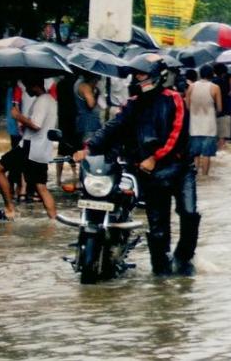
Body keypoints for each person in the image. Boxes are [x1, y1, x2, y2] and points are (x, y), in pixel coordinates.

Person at [74, 54, 200, 275]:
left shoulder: (174, 99)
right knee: (158, 227)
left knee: (188, 213)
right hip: (149, 173)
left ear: (157, 76)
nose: (138, 79)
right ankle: (161, 273)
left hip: (179, 168)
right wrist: (89, 148)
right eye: (136, 75)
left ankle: (184, 257)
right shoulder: (132, 104)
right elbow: (112, 127)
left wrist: (155, 157)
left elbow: (177, 133)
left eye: (142, 74)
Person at [0, 76, 58, 221]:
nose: (26, 90)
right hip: (41, 148)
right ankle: (54, 220)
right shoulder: (50, 100)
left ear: (34, 85)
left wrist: (18, 116)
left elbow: (36, 125)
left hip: (29, 146)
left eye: (27, 87)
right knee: (41, 187)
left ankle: (9, 209)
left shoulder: (42, 100)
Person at [186, 64, 221, 176]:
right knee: (207, 154)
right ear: (211, 74)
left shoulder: (191, 87)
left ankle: (195, 176)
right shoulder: (215, 88)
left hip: (194, 125)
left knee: (195, 154)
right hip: (209, 126)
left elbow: (187, 106)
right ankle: (205, 176)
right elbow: (220, 108)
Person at [55, 75, 79, 186]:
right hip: (74, 119)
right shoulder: (77, 84)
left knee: (61, 150)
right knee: (73, 148)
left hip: (62, 119)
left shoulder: (59, 84)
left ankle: (58, 178)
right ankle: (75, 176)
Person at [74, 73, 102, 142]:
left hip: (84, 122)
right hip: (89, 125)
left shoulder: (78, 82)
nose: (97, 83)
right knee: (89, 148)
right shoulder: (85, 87)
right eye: (96, 81)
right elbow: (91, 104)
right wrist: (96, 93)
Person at [212, 63, 231, 149]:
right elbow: (230, 94)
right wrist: (230, 84)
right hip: (222, 111)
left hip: (213, 111)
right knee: (222, 137)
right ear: (224, 73)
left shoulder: (212, 81)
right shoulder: (223, 82)